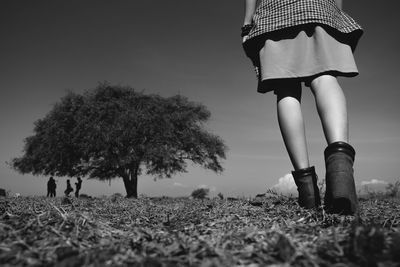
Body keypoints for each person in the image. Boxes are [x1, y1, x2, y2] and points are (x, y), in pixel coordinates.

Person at [242, 0, 362, 215]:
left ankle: (308, 194)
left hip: (274, 12)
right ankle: (341, 174)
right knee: (325, 77)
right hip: (318, 6)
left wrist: (247, 23)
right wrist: (335, 12)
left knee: (286, 88)